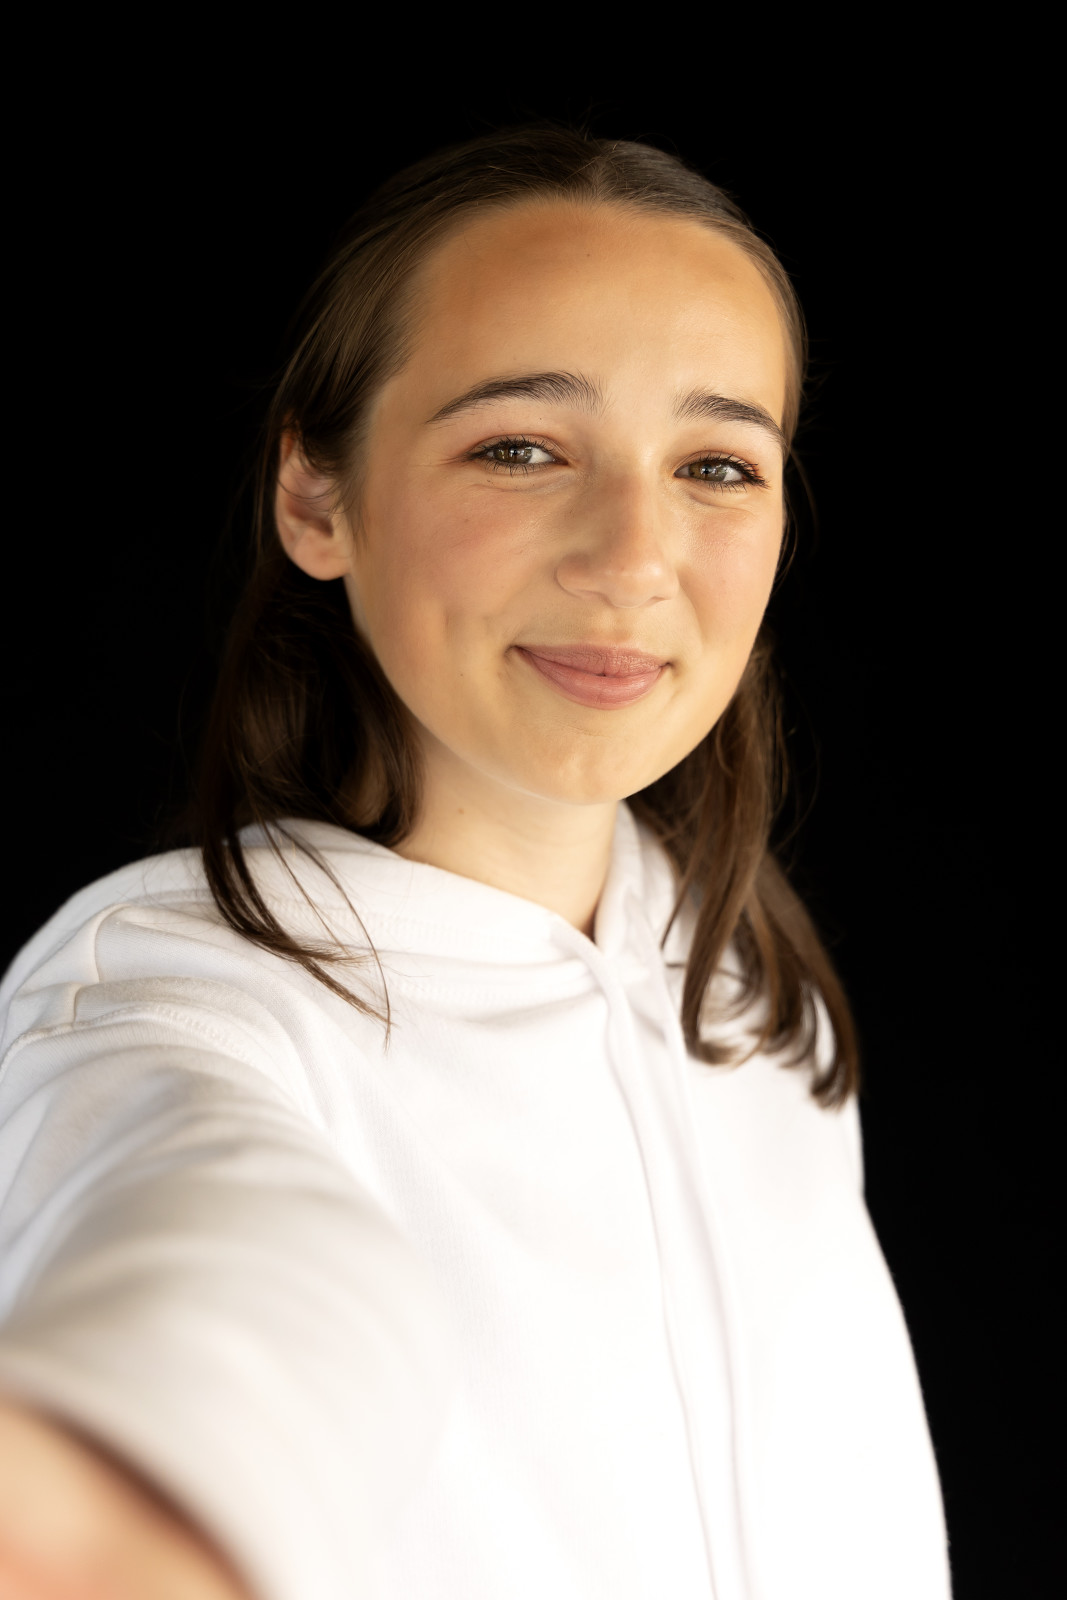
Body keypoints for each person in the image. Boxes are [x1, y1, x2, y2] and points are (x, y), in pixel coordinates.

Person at [0, 127, 952, 1600]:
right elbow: (225, 1266)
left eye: (716, 465)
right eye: (520, 448)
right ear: (317, 497)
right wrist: (137, 1481)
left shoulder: (756, 1005)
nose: (633, 558)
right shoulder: (170, 997)